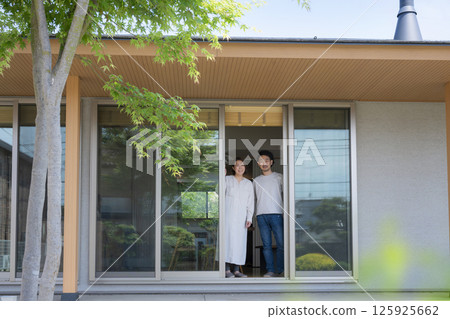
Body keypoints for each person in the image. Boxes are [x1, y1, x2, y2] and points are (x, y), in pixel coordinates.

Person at [254, 150, 284, 277]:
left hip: (277, 213)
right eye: (261, 161)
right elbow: (253, 199)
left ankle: (282, 270)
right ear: (258, 163)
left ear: (271, 162)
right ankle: (270, 270)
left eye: (267, 161)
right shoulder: (256, 180)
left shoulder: (279, 177)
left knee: (281, 244)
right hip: (261, 215)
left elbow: (288, 194)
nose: (264, 163)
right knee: (266, 246)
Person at [224, 158, 254, 278]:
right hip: (228, 215)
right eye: (237, 165)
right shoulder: (227, 180)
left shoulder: (248, 183)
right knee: (227, 241)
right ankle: (226, 270)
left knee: (239, 243)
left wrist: (249, 218)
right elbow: (218, 192)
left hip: (241, 217)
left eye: (242, 165)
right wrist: (222, 176)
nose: (240, 167)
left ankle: (236, 270)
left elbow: (250, 202)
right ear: (233, 168)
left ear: (245, 167)